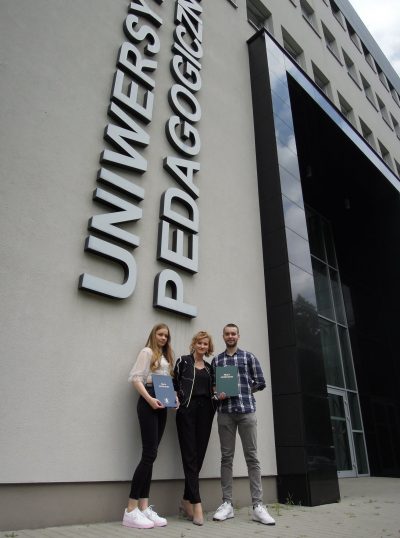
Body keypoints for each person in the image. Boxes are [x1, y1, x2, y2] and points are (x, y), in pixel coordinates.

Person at [211, 323, 275, 526]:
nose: (230, 336)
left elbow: (260, 382)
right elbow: (213, 386)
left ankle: (258, 506)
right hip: (225, 413)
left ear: (238, 336)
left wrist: (244, 390)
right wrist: (219, 392)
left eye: (233, 333)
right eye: (227, 334)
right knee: (226, 459)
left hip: (246, 411)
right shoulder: (217, 360)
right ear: (223, 336)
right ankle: (227, 504)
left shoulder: (249, 357)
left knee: (252, 457)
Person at [122, 323, 174, 529]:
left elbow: (166, 382)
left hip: (162, 401)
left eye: (166, 336)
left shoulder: (166, 356)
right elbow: (136, 379)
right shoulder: (147, 352)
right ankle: (130, 509)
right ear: (154, 334)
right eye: (160, 334)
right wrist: (150, 400)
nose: (163, 338)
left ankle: (143, 508)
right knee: (148, 454)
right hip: (149, 401)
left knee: (152, 455)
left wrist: (173, 398)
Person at [173, 330, 216, 526]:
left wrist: (220, 396)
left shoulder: (209, 368)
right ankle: (196, 503)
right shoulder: (183, 361)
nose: (202, 346)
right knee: (189, 455)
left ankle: (185, 499)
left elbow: (214, 389)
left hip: (206, 411)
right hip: (187, 411)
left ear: (208, 347)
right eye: (199, 343)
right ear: (194, 344)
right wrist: (176, 398)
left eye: (205, 344)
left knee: (199, 456)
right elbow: (174, 383)